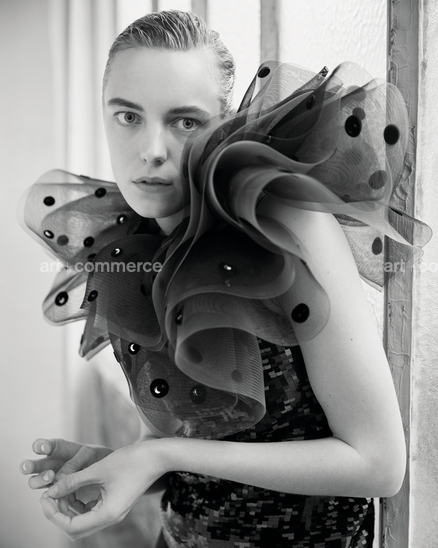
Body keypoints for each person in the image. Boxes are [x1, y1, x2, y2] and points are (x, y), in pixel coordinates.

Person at [19, 9, 427, 548]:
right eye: (128, 116)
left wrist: (160, 455)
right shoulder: (133, 246)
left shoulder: (285, 223)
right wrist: (122, 463)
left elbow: (378, 465)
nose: (152, 150)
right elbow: (186, 440)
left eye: (185, 121)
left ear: (224, 122)